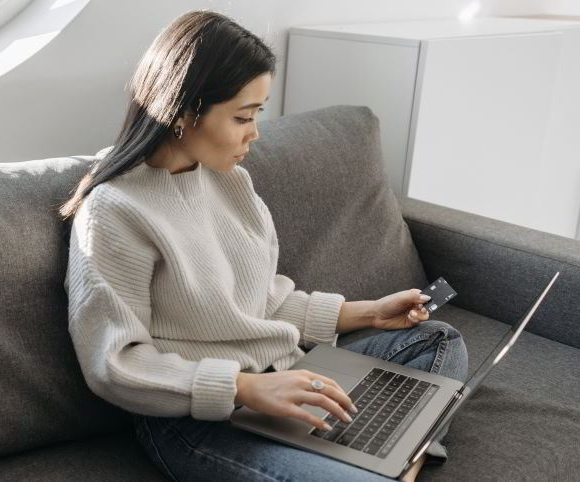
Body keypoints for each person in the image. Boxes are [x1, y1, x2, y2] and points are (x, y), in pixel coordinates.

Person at [60, 10, 468, 482]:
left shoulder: (232, 183)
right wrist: (245, 388)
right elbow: (112, 363)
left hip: (287, 379)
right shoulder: (114, 210)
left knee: (437, 340)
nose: (255, 133)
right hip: (198, 421)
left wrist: (371, 313)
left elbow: (262, 302)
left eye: (257, 114)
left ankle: (392, 452)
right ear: (183, 111)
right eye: (242, 117)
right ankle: (400, 455)